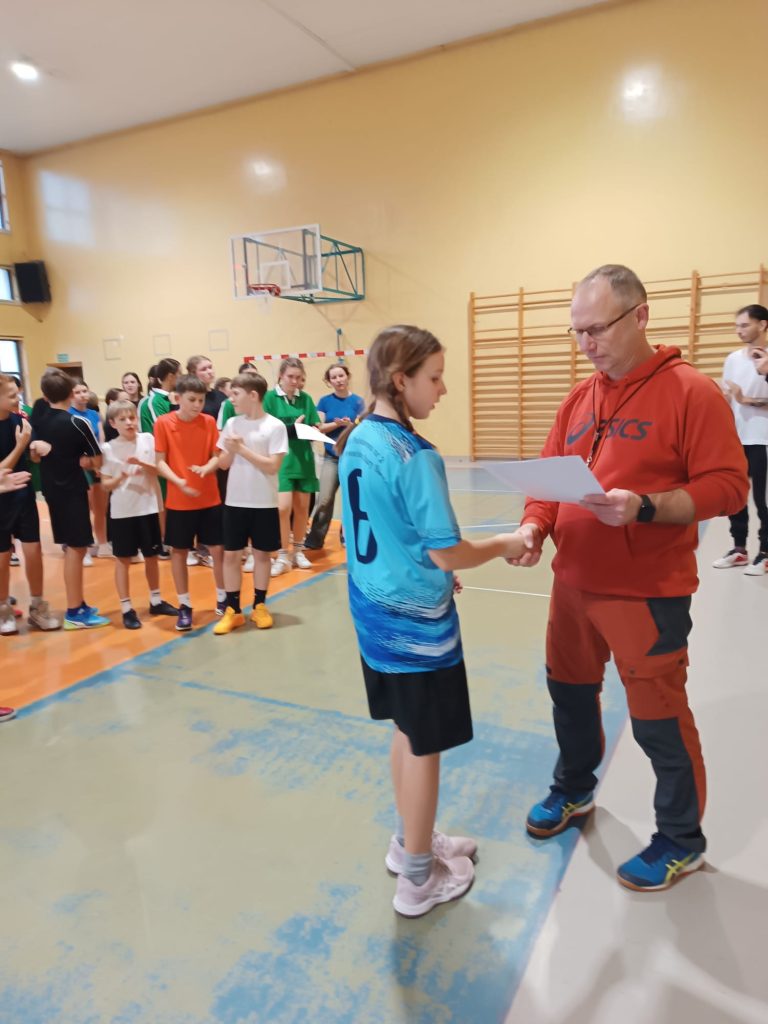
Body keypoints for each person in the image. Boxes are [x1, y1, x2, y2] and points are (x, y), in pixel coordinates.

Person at [515, 264, 748, 892]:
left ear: (640, 316)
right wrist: (535, 525)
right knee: (569, 695)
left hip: (646, 593)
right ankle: (573, 790)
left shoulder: (690, 392)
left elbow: (729, 487)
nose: (586, 343)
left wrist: (645, 506)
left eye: (597, 329)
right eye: (577, 331)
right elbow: (548, 476)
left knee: (657, 718)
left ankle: (681, 840)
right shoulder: (579, 398)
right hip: (572, 586)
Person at [339, 325, 528, 917]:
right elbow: (448, 551)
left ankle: (409, 842)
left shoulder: (356, 437)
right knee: (425, 745)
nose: (443, 390)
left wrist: (431, 571)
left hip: (372, 609)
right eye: (436, 377)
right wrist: (506, 542)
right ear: (402, 380)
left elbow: (387, 532)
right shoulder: (415, 455)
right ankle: (419, 879)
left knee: (405, 728)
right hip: (416, 626)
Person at [30, 370, 111, 630]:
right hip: (72, 491)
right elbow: (97, 460)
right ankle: (75, 612)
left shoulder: (39, 420)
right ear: (70, 393)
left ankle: (79, 603)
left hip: (52, 491)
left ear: (45, 395)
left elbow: (35, 455)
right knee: (76, 549)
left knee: (74, 548)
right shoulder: (78, 422)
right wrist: (82, 460)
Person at [211, 372, 288, 634]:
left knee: (262, 555)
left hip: (264, 502)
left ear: (253, 395)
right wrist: (228, 451)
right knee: (231, 555)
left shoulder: (275, 426)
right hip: (235, 501)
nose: (231, 399)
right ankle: (233, 610)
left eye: (236, 394)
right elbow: (223, 463)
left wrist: (241, 449)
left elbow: (273, 466)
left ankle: (259, 606)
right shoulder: (232, 423)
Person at [154, 374, 225, 632]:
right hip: (179, 501)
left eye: (201, 400)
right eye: (192, 399)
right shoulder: (163, 423)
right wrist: (179, 481)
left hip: (209, 497)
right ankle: (184, 605)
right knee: (179, 552)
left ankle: (223, 598)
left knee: (218, 550)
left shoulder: (209, 422)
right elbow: (159, 461)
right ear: (178, 398)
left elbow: (217, 455)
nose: (197, 405)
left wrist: (207, 467)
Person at [100, 400, 178, 629]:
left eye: (132, 417)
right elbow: (105, 484)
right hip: (123, 511)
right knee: (123, 559)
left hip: (148, 507)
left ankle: (156, 600)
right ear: (113, 423)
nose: (129, 423)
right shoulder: (108, 449)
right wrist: (121, 475)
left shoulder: (148, 440)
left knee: (152, 556)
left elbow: (159, 470)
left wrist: (143, 464)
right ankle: (126, 608)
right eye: (122, 419)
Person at [0, 375, 61, 636]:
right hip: (1, 499)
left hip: (23, 497)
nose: (18, 399)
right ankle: (3, 609)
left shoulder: (20, 420)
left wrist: (35, 448)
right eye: (11, 395)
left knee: (33, 550)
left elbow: (33, 458)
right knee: (3, 556)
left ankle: (37, 606)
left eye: (18, 393)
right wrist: (21, 446)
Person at [713, 304, 768, 576]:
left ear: (763, 325)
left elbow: (742, 398)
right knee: (736, 496)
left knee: (763, 500)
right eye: (737, 326)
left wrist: (746, 399)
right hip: (736, 439)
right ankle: (739, 549)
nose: (739, 331)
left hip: (763, 439)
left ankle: (765, 554)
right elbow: (729, 398)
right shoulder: (733, 359)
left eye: (745, 325)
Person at [263, 358, 321, 575]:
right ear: (281, 375)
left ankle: (298, 551)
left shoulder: (306, 399)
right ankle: (282, 554)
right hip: (282, 460)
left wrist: (315, 429)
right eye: (290, 377)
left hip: (303, 459)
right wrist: (291, 428)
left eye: (298, 377)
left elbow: (314, 424)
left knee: (302, 509)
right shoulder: (269, 398)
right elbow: (265, 429)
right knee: (283, 509)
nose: (294, 381)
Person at [304, 363, 365, 551]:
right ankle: (315, 539)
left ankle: (348, 536)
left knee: (353, 500)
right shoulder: (324, 402)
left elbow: (363, 427)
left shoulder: (359, 402)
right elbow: (319, 427)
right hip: (331, 457)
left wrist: (351, 425)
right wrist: (337, 424)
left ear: (347, 376)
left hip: (353, 458)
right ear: (329, 381)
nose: (338, 380)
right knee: (324, 499)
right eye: (334, 377)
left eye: (341, 376)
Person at [70, 379, 110, 559]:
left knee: (101, 507)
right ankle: (84, 547)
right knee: (83, 508)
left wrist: (99, 462)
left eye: (84, 391)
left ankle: (103, 544)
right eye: (77, 392)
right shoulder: (68, 414)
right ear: (71, 395)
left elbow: (101, 440)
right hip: (80, 466)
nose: (82, 395)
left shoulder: (94, 414)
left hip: (97, 463)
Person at [186, 355, 225, 422]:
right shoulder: (189, 397)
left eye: (210, 367)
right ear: (193, 374)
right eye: (203, 369)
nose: (210, 372)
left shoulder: (221, 395)